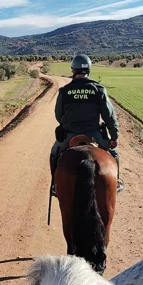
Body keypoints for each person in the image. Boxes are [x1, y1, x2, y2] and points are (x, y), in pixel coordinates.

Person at [50, 54, 124, 194]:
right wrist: (114, 137)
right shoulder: (99, 90)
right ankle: (117, 182)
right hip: (94, 134)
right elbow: (109, 117)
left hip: (69, 134)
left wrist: (68, 123)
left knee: (54, 153)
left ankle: (55, 185)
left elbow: (58, 115)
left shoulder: (64, 91)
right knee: (113, 152)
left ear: (73, 70)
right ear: (88, 70)